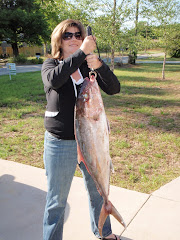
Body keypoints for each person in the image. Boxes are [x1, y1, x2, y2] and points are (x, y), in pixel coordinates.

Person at [41, 19, 121, 240]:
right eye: (68, 35)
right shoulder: (51, 65)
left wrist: (100, 66)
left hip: (91, 142)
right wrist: (82, 52)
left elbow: (114, 89)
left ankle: (103, 232)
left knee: (97, 192)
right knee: (56, 200)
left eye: (78, 35)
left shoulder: (88, 66)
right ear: (59, 39)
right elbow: (54, 80)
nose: (74, 39)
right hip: (60, 144)